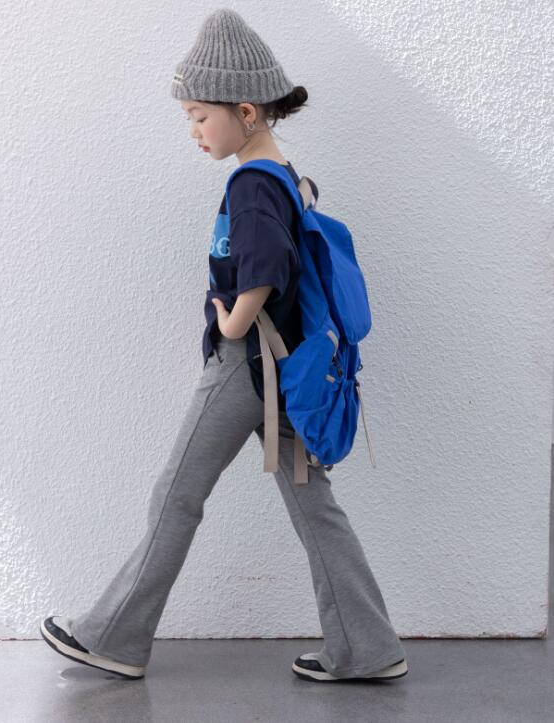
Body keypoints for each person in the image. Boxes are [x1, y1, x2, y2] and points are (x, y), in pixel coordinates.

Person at [40, 7, 408, 683]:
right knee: (314, 506)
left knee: (176, 494)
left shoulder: (251, 184)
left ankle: (112, 637)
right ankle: (369, 646)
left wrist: (232, 325)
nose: (194, 130)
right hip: (289, 370)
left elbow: (265, 268)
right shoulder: (287, 177)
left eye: (199, 116)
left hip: (245, 367)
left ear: (245, 111)